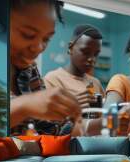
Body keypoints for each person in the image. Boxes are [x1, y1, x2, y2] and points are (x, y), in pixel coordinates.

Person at [10, 0, 81, 135]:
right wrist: (24, 105)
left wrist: (80, 124)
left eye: (46, 39)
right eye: (28, 34)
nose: (39, 48)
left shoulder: (30, 70)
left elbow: (49, 130)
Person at [44, 24, 105, 109]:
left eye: (96, 54)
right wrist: (71, 106)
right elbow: (47, 118)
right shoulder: (53, 79)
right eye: (85, 52)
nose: (91, 59)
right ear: (70, 47)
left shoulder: (95, 83)